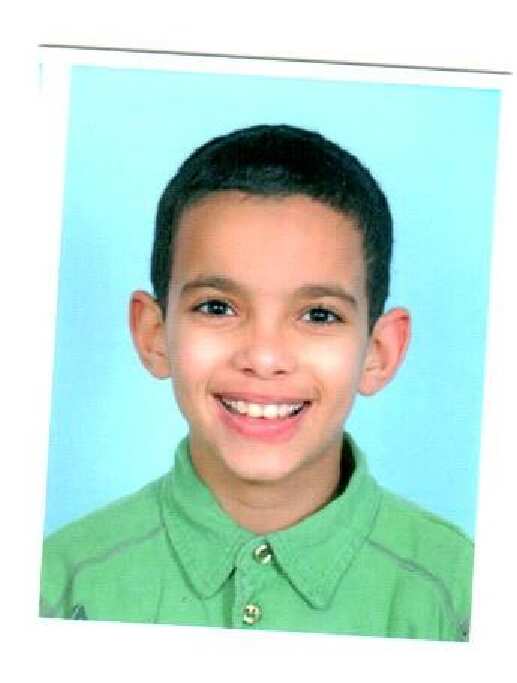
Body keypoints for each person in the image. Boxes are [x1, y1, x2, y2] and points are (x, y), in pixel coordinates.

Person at [39, 124, 473, 640]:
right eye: (217, 307)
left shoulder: (464, 599)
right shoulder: (57, 588)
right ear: (154, 335)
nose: (264, 359)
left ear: (378, 353)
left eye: (318, 315)